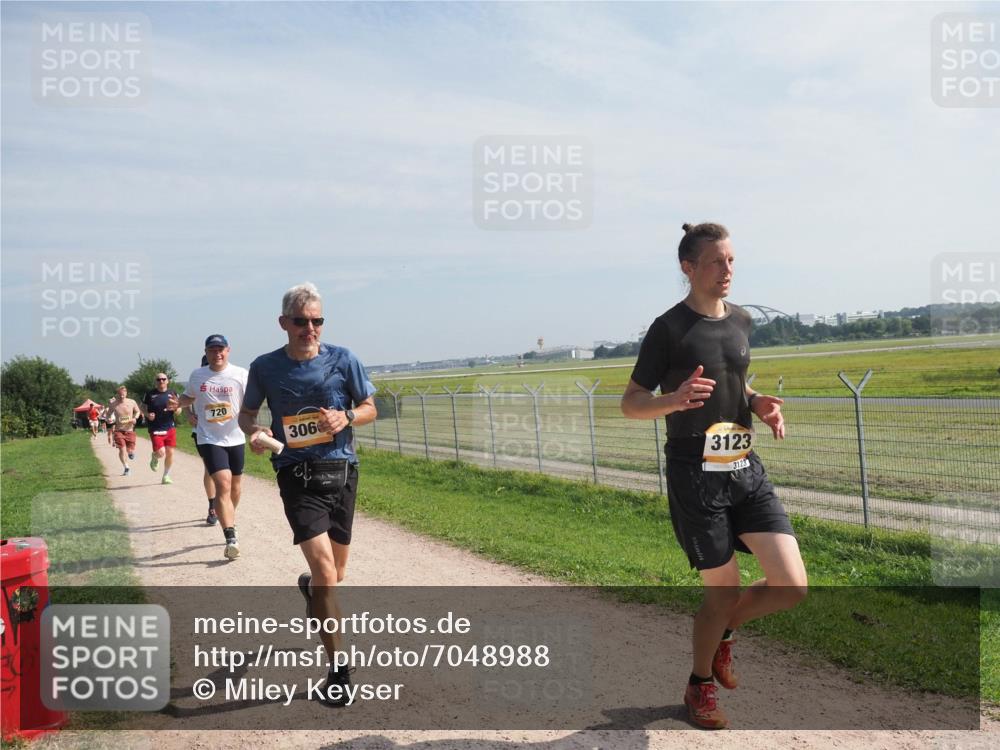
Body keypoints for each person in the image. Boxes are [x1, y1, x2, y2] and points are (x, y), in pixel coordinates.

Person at [620, 222, 808, 730]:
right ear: (689, 268)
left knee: (791, 584)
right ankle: (699, 684)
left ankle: (722, 636)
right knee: (721, 593)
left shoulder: (742, 320)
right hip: (694, 472)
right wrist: (672, 401)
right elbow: (631, 403)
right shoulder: (668, 329)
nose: (727, 271)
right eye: (716, 262)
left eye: (731, 261)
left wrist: (757, 402)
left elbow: (737, 381)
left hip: (744, 466)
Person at [238, 282, 376, 707]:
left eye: (317, 321)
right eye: (301, 321)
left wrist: (347, 415)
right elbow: (247, 416)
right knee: (326, 574)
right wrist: (256, 433)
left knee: (333, 576)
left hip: (341, 472)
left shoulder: (344, 359)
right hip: (296, 475)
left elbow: (371, 407)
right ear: (284, 323)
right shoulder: (265, 367)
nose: (309, 328)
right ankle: (339, 672)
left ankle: (311, 590)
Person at [169, 336, 249, 560]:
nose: (217, 354)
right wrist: (179, 404)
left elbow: (251, 401)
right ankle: (230, 537)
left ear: (228, 350)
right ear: (206, 352)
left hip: (235, 436)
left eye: (221, 349)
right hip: (209, 438)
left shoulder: (241, 374)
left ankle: (229, 516)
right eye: (212, 350)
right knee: (222, 483)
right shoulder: (198, 375)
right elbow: (188, 397)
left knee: (235, 486)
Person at [188, 355, 219, 524]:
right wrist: (189, 415)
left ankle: (224, 504)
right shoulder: (198, 380)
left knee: (229, 474)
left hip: (226, 436)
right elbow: (186, 398)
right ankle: (213, 506)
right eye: (207, 365)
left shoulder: (225, 380)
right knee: (210, 469)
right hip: (202, 433)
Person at [141, 373, 179, 485]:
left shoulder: (173, 393)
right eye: (158, 379)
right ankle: (154, 456)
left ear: (167, 381)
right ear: (155, 381)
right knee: (161, 453)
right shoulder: (149, 394)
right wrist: (147, 415)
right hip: (155, 428)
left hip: (170, 427)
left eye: (163, 379)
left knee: (170, 453)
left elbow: (179, 409)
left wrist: (175, 409)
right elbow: (142, 407)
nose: (161, 381)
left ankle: (166, 475)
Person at [110, 386, 142, 476]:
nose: (122, 397)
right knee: (122, 450)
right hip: (118, 430)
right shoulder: (113, 404)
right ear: (117, 394)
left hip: (130, 430)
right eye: (120, 395)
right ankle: (126, 467)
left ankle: (130, 452)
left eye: (123, 395)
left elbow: (138, 411)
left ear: (126, 393)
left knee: (130, 450)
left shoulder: (132, 402)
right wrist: (109, 419)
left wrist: (135, 418)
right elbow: (108, 415)